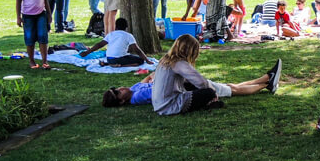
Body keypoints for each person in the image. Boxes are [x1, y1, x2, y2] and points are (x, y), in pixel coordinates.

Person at [102, 57, 281, 107]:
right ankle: (267, 83)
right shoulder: (137, 96)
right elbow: (157, 87)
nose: (121, 88)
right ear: (121, 100)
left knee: (229, 86)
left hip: (184, 84)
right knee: (231, 89)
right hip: (184, 88)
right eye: (118, 92)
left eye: (116, 88)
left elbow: (149, 77)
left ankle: (266, 78)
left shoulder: (134, 89)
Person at [16, 0, 51, 69]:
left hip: (41, 14)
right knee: (30, 38)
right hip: (28, 15)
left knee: (43, 37)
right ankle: (32, 61)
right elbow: (18, 2)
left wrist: (49, 14)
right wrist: (18, 17)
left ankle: (45, 61)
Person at [79, 17, 153, 66]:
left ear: (116, 26)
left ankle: (108, 64)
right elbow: (137, 50)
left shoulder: (111, 34)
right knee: (140, 61)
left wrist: (87, 52)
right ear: (126, 27)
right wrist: (147, 60)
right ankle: (121, 66)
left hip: (109, 59)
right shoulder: (128, 35)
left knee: (129, 56)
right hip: (119, 59)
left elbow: (99, 45)